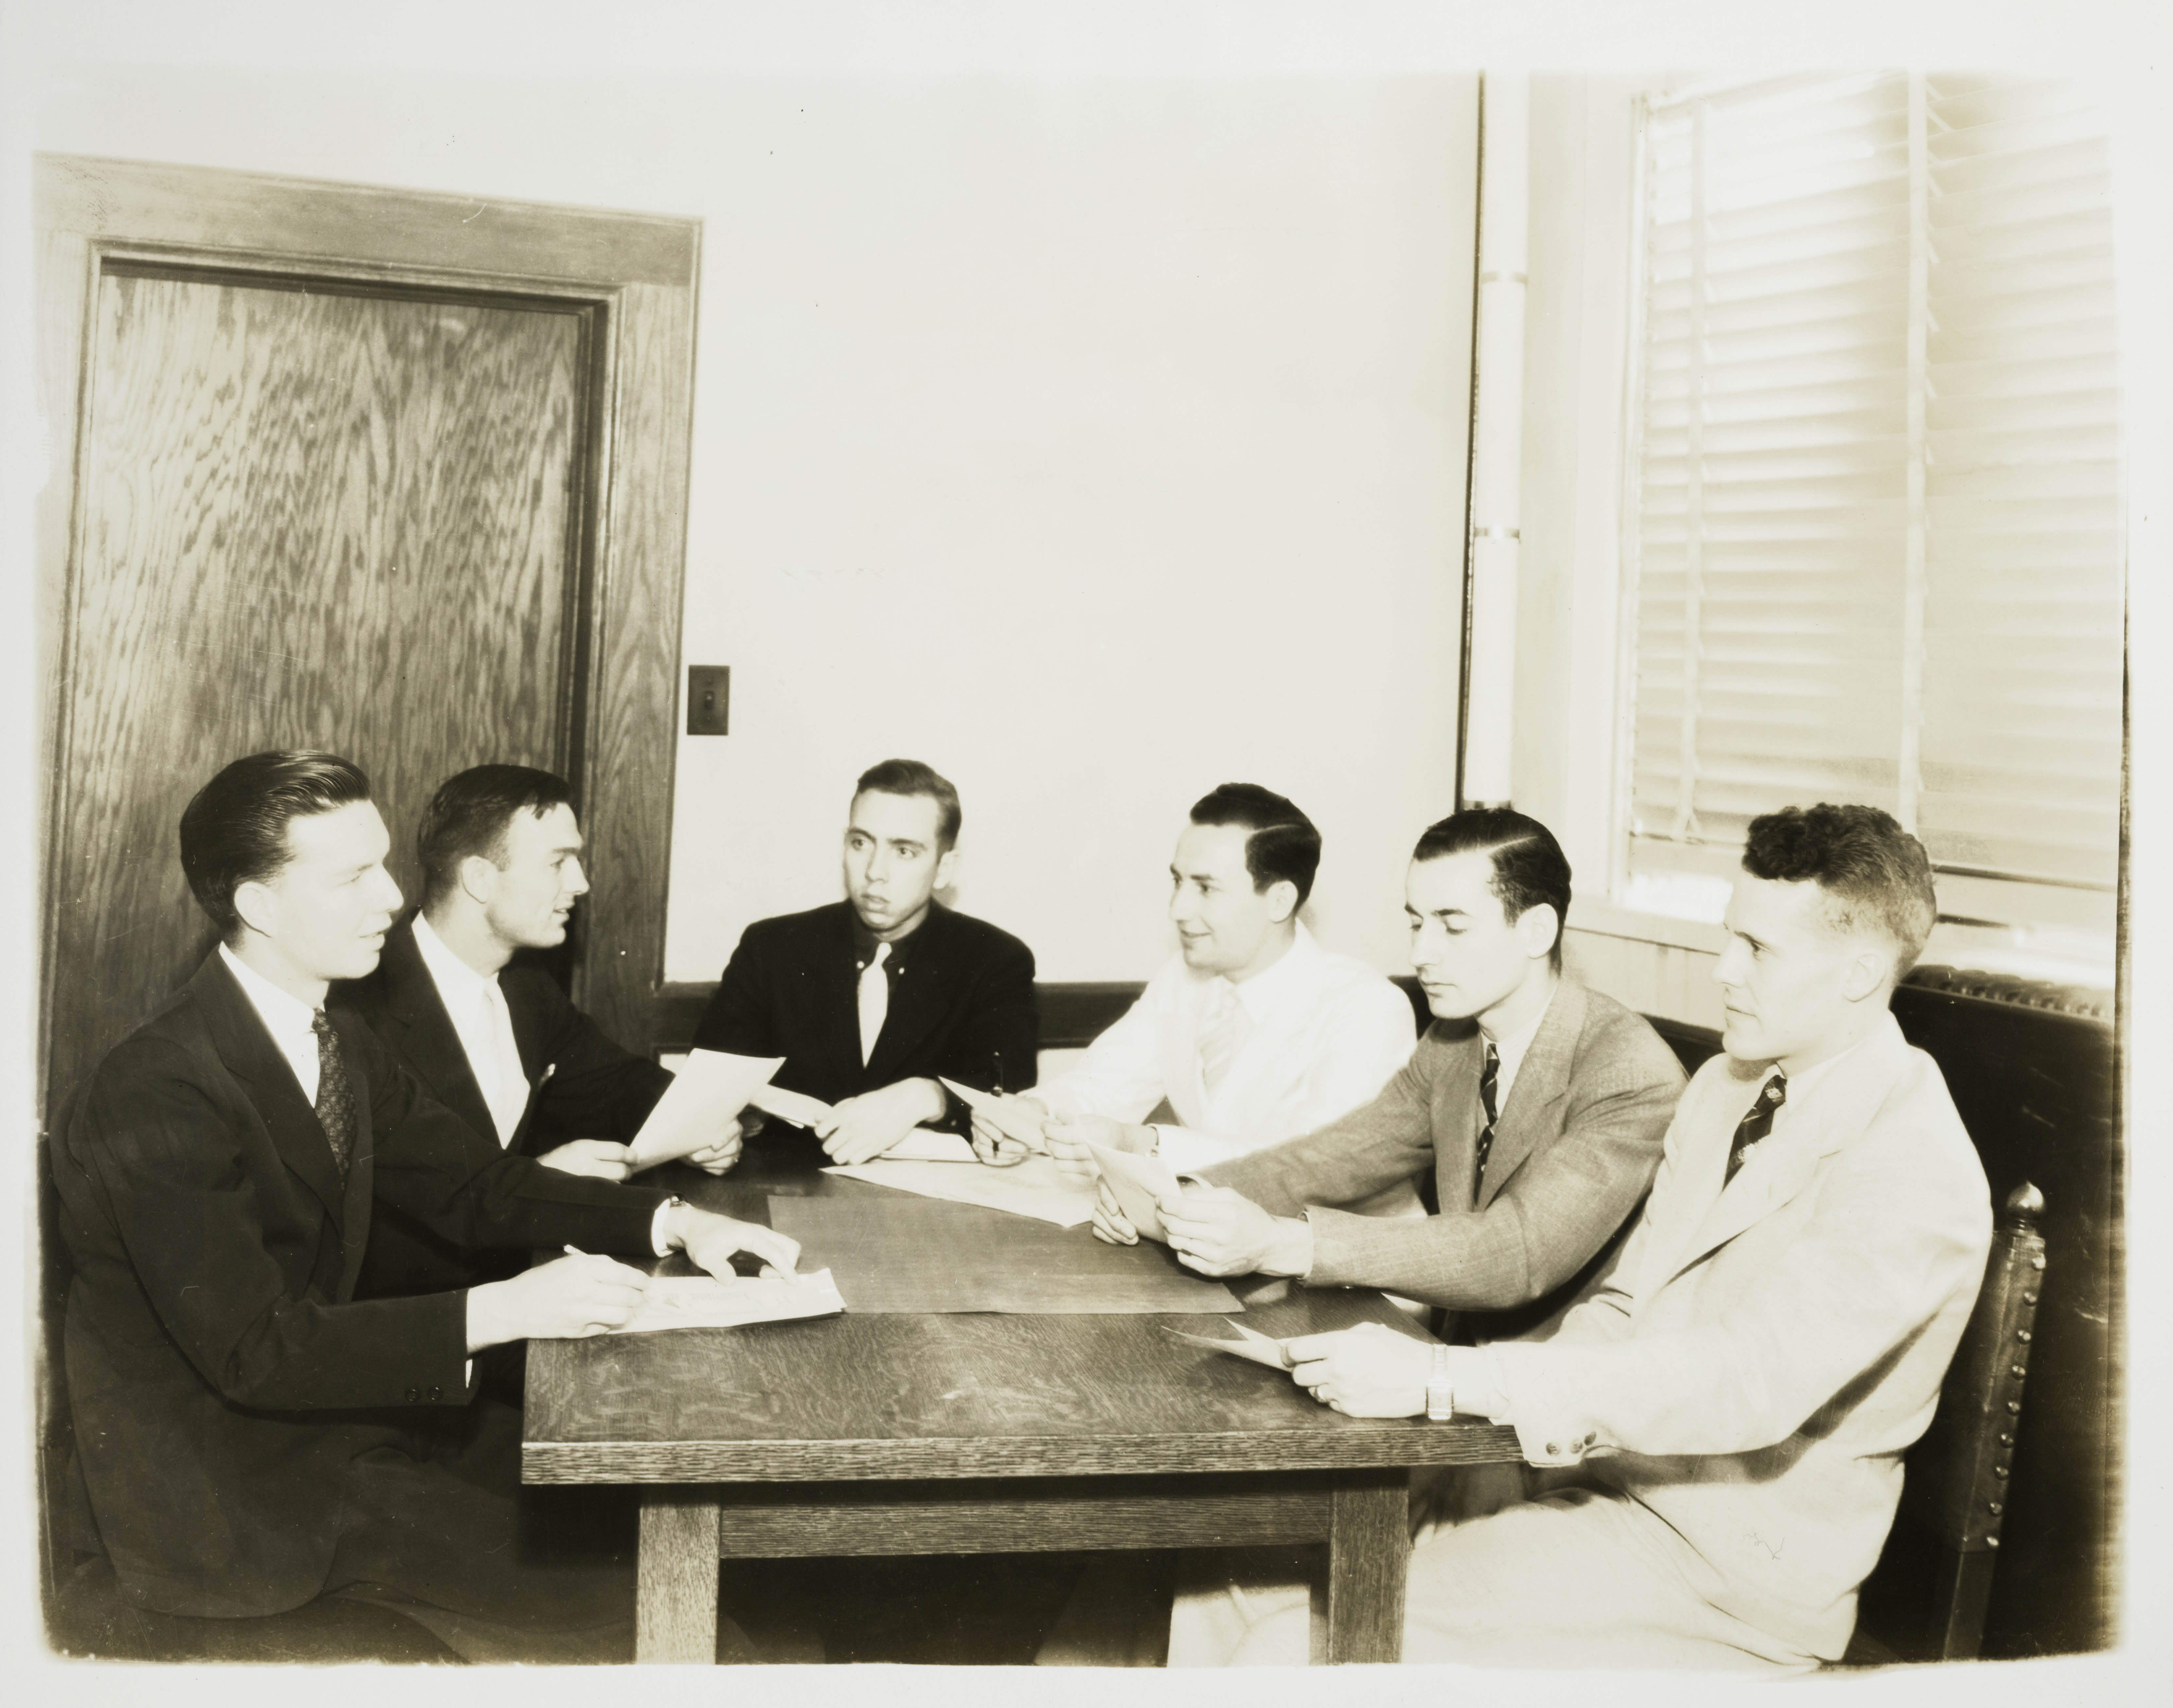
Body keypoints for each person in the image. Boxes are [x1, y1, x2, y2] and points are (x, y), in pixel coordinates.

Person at [50, 751, 800, 1663]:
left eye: (385, 863)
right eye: (354, 876)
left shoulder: (337, 1040)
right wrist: (503, 1309)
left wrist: (673, 1221)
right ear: (260, 907)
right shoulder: (156, 1086)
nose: (395, 897)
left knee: (653, 1527)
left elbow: (474, 1183)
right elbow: (257, 1350)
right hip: (225, 1506)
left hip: (338, 1432)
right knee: (655, 1609)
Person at [1207, 804, 1993, 1670]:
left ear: (1861, 971)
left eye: (1758, 949)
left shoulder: (1914, 1163)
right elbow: (1626, 1299)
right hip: (1601, 1489)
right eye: (1730, 935)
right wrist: (1489, 1438)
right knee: (1229, 1577)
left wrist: (1443, 1376)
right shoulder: (1729, 1088)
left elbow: (1748, 1380)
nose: (1724, 969)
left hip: (1724, 1580)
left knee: (1296, 1641)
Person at [1043, 807, 1684, 1667]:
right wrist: (1173, 1198)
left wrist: (1279, 1245)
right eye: (1416, 922)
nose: (1422, 952)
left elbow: (1514, 1254)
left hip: (1546, 1449)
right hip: (1430, 1407)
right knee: (1211, 1576)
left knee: (1254, 1606)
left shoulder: (1627, 1070)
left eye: (1453, 924)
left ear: (1537, 928)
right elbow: (1333, 1156)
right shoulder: (1456, 1043)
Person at [341, 764, 736, 1304]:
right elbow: (397, 1208)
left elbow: (612, 1079)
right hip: (420, 1324)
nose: (580, 883)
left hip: (525, 1283)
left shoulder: (527, 986)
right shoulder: (360, 1006)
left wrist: (696, 1123)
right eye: (558, 863)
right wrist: (536, 1176)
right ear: (479, 878)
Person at [967, 783, 1417, 1193]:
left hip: (1341, 1267)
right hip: (1216, 1241)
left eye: (1205, 888)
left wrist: (1143, 1143)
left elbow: (1312, 1167)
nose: (1178, 909)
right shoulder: (1183, 979)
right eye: (1178, 881)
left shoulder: (1368, 1009)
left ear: (1279, 900)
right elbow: (1102, 1085)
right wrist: (1033, 1115)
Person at [690, 757, 1037, 1163]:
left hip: (923, 1201)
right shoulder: (772, 947)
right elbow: (710, 1083)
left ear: (944, 868)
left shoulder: (995, 959)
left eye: (904, 851)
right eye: (861, 843)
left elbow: (1005, 1093)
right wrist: (725, 1130)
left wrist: (929, 1096)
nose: (875, 871)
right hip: (783, 1185)